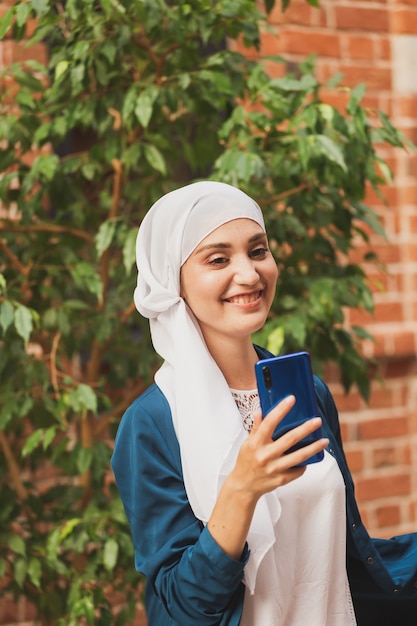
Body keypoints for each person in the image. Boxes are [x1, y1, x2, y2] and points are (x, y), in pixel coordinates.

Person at [111, 181, 417, 626]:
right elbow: (181, 609)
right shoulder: (152, 424)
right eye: (218, 259)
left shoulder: (305, 393)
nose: (250, 274)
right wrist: (243, 487)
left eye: (258, 251)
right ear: (172, 281)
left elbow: (348, 557)